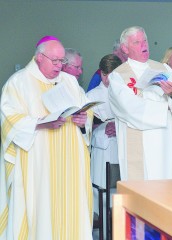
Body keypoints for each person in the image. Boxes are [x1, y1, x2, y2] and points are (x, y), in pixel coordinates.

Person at [0, 36, 93, 239]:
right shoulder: (19, 82)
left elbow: (86, 108)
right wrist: (41, 123)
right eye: (55, 61)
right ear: (39, 57)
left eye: (62, 61)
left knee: (71, 209)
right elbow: (9, 120)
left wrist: (83, 119)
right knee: (40, 212)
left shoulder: (69, 81)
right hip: (37, 164)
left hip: (70, 164)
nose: (60, 66)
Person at [108, 26, 172, 181]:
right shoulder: (118, 77)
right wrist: (165, 107)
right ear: (125, 49)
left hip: (167, 144)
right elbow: (129, 109)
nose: (144, 45)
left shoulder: (163, 68)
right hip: (140, 144)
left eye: (145, 40)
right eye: (137, 42)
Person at [86, 53, 122, 232]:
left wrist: (119, 125)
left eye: (112, 75)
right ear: (101, 73)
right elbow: (85, 125)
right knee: (101, 195)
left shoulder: (125, 92)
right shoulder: (92, 95)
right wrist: (101, 124)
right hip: (103, 149)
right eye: (105, 75)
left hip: (121, 147)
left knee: (120, 196)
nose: (108, 80)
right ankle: (102, 232)